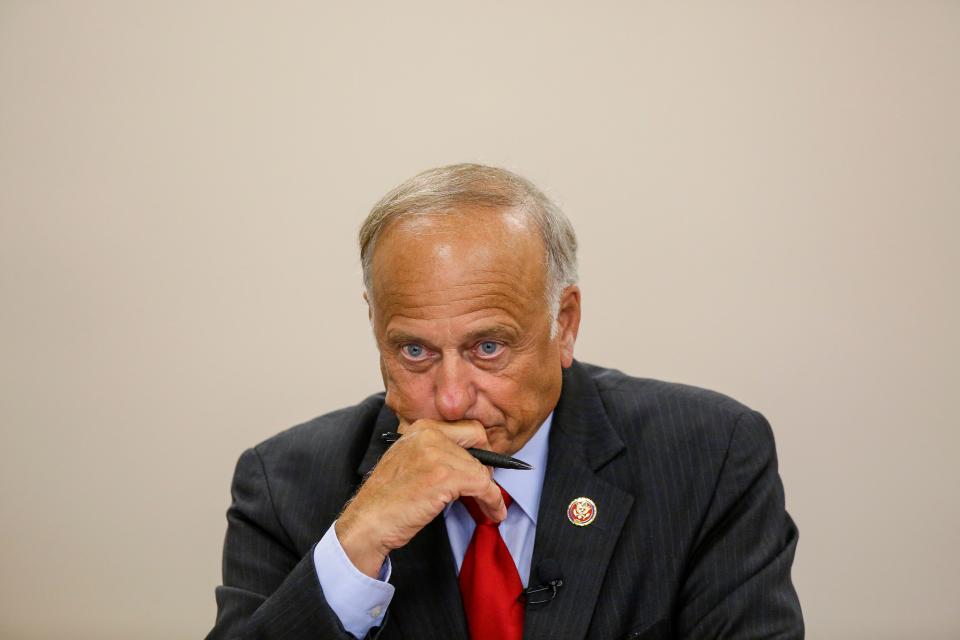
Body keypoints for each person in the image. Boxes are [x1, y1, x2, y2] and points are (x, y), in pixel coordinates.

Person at [206, 164, 803, 640]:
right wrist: (355, 544)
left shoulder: (710, 455)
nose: (450, 396)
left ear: (564, 324)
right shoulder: (282, 484)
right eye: (414, 351)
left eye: (488, 347)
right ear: (375, 327)